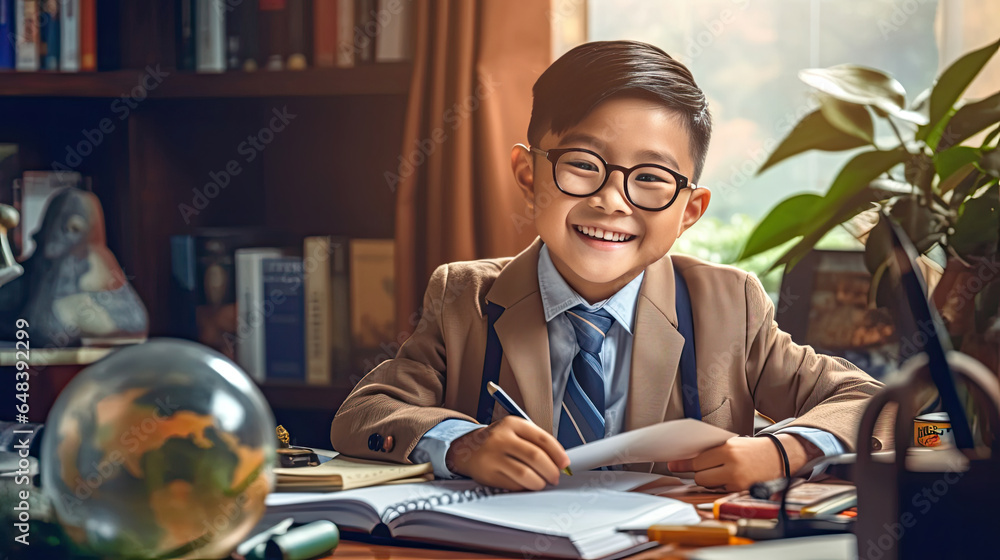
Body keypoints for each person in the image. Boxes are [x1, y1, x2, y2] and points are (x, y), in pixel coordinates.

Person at [330, 40, 883, 492]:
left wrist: (781, 451)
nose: (611, 201)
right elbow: (364, 414)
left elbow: (871, 402)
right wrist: (463, 443)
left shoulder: (728, 304)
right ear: (528, 174)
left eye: (650, 178)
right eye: (581, 164)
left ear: (690, 210)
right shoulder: (465, 297)